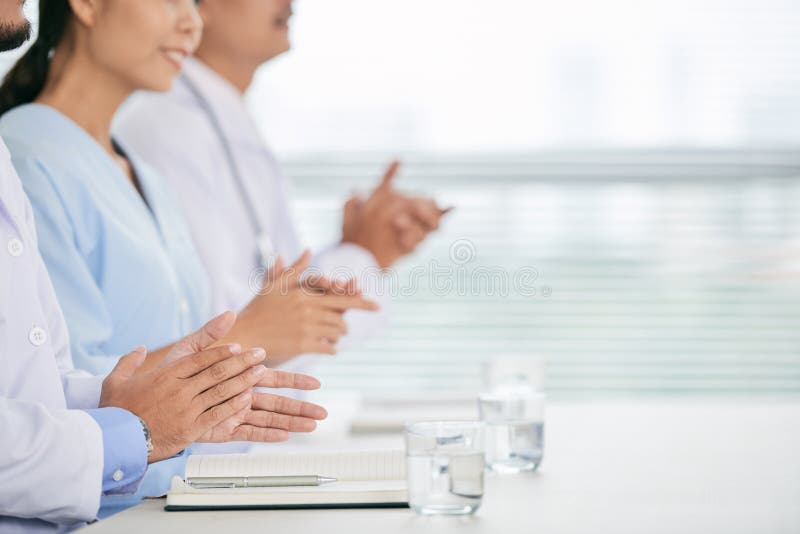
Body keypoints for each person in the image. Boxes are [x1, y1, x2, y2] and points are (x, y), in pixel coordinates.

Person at [0, 0, 343, 515]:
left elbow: (69, 386)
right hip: (107, 504)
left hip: (166, 492)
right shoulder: (32, 154)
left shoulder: (144, 174)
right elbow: (52, 393)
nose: (192, 22)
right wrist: (247, 335)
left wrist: (240, 352)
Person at [114, 0, 449, 361]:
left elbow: (270, 316)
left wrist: (370, 249)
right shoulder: (166, 126)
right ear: (200, 6)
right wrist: (362, 252)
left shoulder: (224, 119)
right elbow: (228, 331)